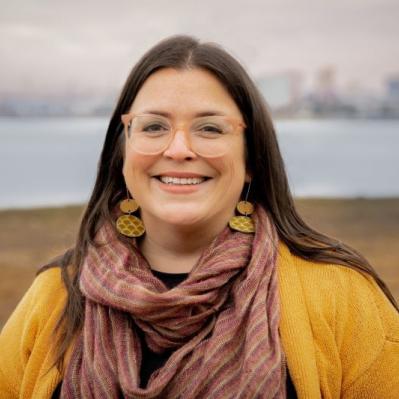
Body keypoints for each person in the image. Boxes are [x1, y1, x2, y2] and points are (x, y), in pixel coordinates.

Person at [0, 35, 398, 399]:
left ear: (251, 160)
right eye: (153, 126)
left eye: (209, 128)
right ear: (122, 154)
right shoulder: (55, 296)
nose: (178, 149)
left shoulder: (342, 298)